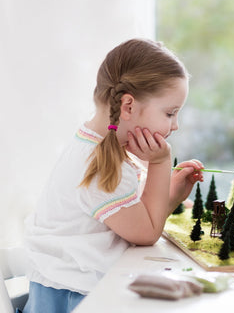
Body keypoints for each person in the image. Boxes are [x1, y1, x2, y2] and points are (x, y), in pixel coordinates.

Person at [22, 39, 204, 313]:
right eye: (170, 113)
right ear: (128, 105)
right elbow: (146, 233)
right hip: (73, 299)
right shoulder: (98, 165)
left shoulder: (95, 147)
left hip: (81, 290)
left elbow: (142, 222)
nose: (175, 125)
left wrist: (173, 195)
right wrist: (161, 163)